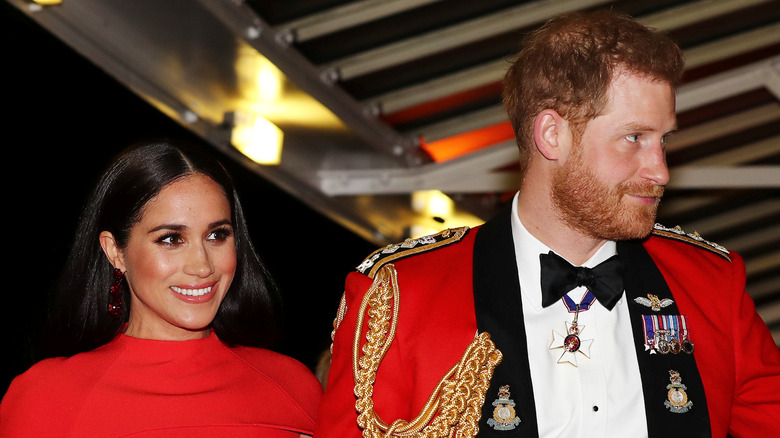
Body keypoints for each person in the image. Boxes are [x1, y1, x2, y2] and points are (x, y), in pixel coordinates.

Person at [314, 10, 780, 438]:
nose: (660, 171)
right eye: (634, 138)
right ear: (552, 135)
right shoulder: (401, 295)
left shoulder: (711, 286)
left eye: (664, 141)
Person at [0, 140, 322, 437]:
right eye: (171, 239)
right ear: (116, 251)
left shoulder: (292, 388)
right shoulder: (47, 397)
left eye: (217, 235)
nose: (202, 266)